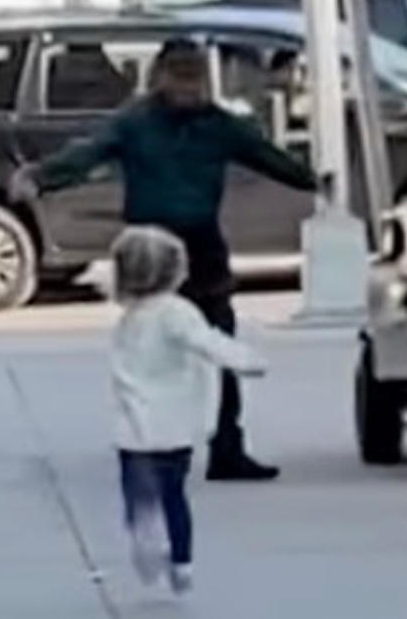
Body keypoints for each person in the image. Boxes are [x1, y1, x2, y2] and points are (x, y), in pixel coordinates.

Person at [11, 38, 320, 481]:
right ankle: (152, 440)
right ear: (159, 78)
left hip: (199, 245)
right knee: (151, 347)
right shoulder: (136, 123)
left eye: (194, 77)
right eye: (180, 76)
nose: (188, 87)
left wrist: (313, 178)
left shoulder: (219, 126)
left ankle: (225, 445)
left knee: (216, 342)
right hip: (151, 251)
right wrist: (41, 178)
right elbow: (87, 155)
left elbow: (270, 159)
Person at [109, 225, 268, 593]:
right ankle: (182, 562)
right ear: (175, 271)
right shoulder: (178, 313)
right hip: (173, 426)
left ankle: (148, 540)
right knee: (175, 497)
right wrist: (246, 360)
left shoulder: (128, 318)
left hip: (132, 429)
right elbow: (208, 343)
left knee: (140, 500)